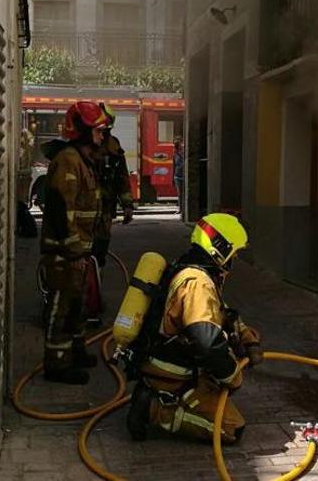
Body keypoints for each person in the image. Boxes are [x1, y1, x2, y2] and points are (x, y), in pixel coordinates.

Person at [125, 213, 263, 443]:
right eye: (234, 252)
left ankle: (162, 394)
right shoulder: (198, 283)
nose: (235, 258)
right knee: (230, 429)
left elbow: (222, 313)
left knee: (220, 394)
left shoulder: (196, 269)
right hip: (172, 370)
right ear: (220, 248)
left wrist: (248, 339)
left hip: (175, 363)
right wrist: (232, 375)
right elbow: (208, 344)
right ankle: (153, 408)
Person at [39, 101, 109, 385]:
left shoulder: (83, 161)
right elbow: (61, 209)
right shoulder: (68, 161)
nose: (102, 136)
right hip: (64, 254)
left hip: (78, 252)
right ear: (83, 131)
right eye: (98, 130)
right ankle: (57, 364)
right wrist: (72, 249)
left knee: (78, 306)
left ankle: (75, 352)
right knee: (63, 307)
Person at [92, 103, 134, 268]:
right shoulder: (82, 146)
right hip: (86, 204)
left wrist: (127, 205)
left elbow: (122, 177)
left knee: (101, 246)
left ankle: (96, 277)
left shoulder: (113, 146)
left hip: (105, 205)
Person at [172, 137, 185, 216]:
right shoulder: (175, 154)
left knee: (183, 194)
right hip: (177, 176)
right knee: (180, 194)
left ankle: (183, 209)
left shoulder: (184, 153)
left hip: (183, 175)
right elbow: (174, 166)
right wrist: (172, 178)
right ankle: (180, 209)